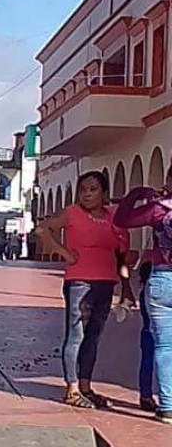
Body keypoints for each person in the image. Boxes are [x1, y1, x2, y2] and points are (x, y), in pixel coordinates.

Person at [36, 171, 130, 410]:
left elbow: (120, 254)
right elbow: (43, 230)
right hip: (79, 283)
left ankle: (86, 386)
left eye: (93, 189)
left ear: (104, 193)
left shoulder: (112, 217)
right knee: (76, 335)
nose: (87, 194)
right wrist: (64, 253)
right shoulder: (72, 213)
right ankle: (72, 388)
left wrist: (126, 287)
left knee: (93, 337)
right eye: (83, 189)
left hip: (106, 283)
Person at [113, 166, 172, 424]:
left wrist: (137, 192)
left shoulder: (159, 209)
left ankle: (168, 406)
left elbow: (122, 219)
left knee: (163, 345)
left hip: (162, 279)